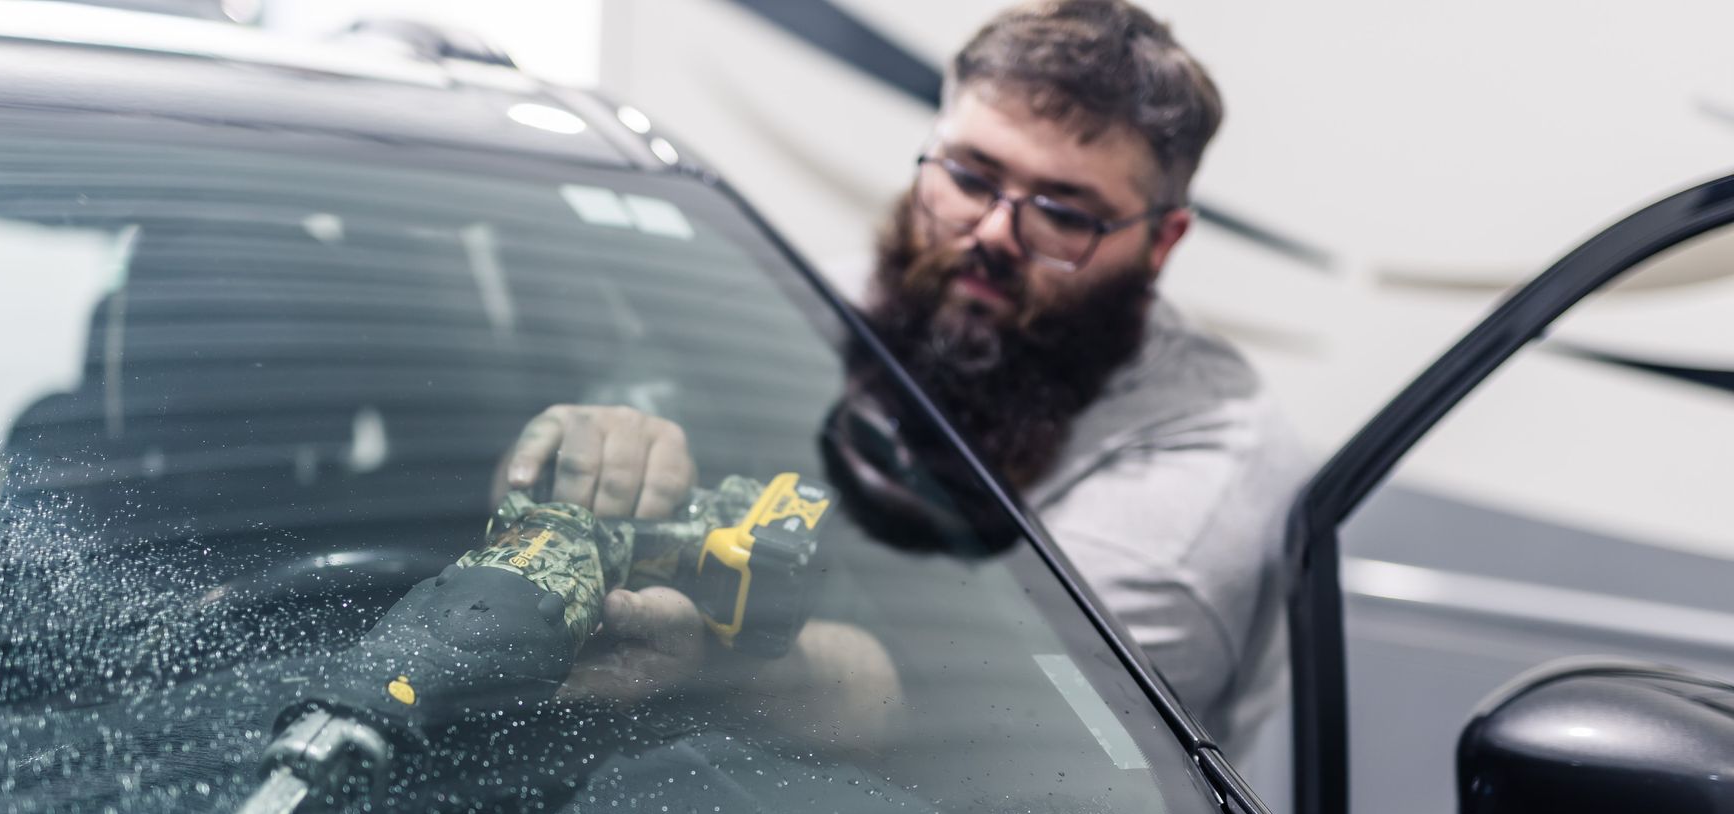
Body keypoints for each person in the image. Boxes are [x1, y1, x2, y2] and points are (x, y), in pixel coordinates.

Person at [498, 0, 1301, 750]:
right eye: (969, 175)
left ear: (1162, 242)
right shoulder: (834, 305)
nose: (990, 234)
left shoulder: (1198, 469)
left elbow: (1010, 722)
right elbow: (617, 430)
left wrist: (714, 669)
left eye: (1063, 212)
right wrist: (587, 453)